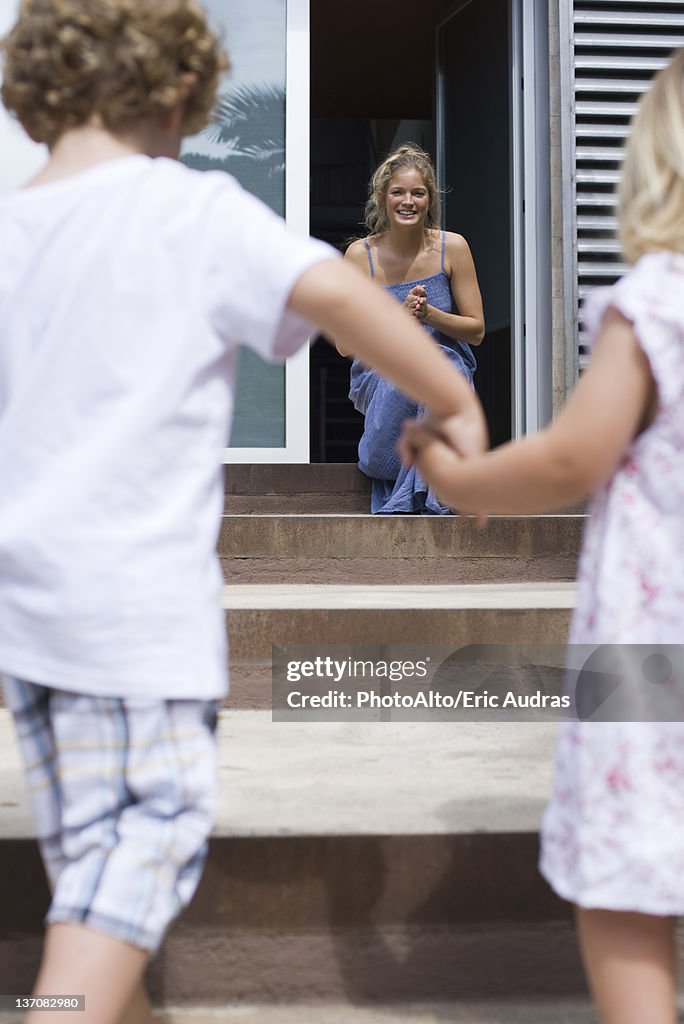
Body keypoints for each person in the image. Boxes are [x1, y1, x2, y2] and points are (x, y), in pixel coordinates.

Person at [0, 3, 487, 1023]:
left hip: (25, 616)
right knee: (134, 857)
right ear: (182, 91)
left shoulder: (13, 226)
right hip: (135, 614)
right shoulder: (194, 212)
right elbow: (349, 315)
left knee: (95, 867)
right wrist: (454, 402)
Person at [401, 48, 684, 1024]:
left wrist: (461, 477)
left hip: (659, 655)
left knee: (631, 881)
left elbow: (574, 456)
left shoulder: (658, 301)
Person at [337, 143, 485, 514]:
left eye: (418, 193)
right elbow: (343, 344)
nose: (408, 201)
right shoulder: (360, 256)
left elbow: (477, 331)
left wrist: (430, 316)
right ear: (382, 198)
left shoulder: (453, 248)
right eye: (398, 193)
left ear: (430, 199)